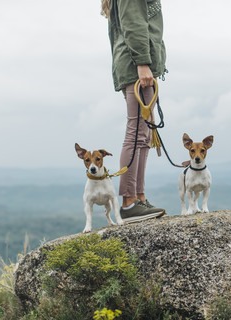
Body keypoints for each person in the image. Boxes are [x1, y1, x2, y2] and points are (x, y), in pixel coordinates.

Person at [101, 0, 167, 222]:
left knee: (145, 134)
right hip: (135, 65)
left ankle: (138, 198)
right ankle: (129, 203)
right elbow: (133, 24)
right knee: (137, 132)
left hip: (136, 64)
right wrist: (142, 63)